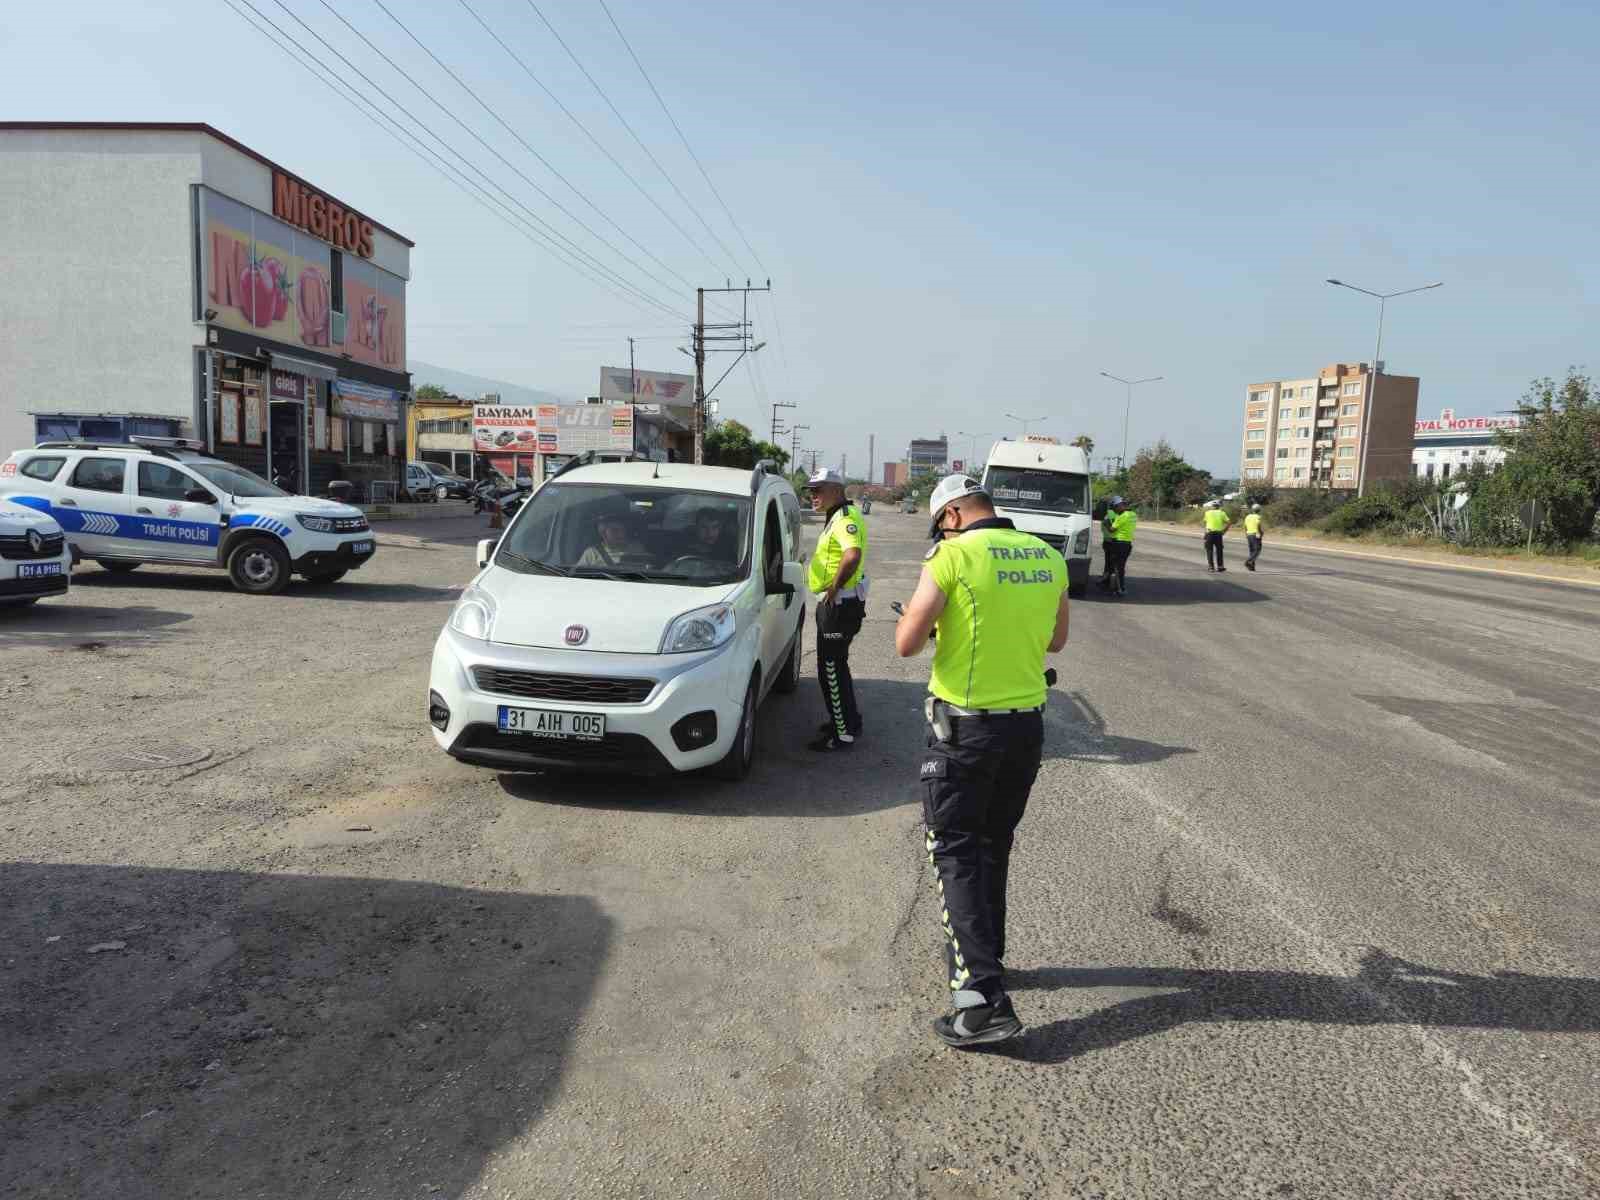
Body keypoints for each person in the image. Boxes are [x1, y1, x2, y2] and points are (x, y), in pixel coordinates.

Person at [895, 475, 1071, 1048]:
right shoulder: (1047, 555)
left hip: (967, 730)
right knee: (992, 846)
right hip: (1026, 727)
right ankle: (987, 962)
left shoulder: (952, 555)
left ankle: (982, 1002)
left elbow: (907, 642)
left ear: (950, 515)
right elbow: (1056, 641)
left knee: (955, 851)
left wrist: (929, 617)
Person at [804, 467, 868, 751]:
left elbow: (852, 555)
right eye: (810, 490)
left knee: (830, 669)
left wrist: (834, 587)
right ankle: (847, 720)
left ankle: (842, 734)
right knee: (837, 667)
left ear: (835, 490)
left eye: (818, 490)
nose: (812, 495)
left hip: (839, 605)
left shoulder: (844, 518)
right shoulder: (837, 517)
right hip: (840, 604)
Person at [576, 505, 649, 568]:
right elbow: (577, 577)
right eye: (615, 530)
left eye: (623, 530)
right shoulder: (591, 553)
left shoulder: (636, 548)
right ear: (603, 533)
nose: (621, 534)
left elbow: (646, 570)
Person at [1106, 495, 1136, 596]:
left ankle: (1120, 589)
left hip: (1119, 544)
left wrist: (1106, 523)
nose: (1114, 511)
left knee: (1116, 568)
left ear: (1119, 505)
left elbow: (1112, 530)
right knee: (1121, 566)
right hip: (1127, 544)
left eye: (1114, 508)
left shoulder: (1123, 516)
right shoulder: (1133, 514)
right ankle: (1117, 587)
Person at [1202, 500, 1232, 572]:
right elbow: (1229, 522)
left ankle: (1211, 567)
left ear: (1212, 506)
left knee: (1209, 550)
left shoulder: (1207, 513)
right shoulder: (1222, 513)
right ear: (1219, 506)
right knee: (1219, 550)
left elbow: (1205, 523)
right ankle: (1220, 566)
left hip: (1209, 533)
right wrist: (1224, 530)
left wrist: (1205, 533)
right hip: (1219, 534)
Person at [1244, 503, 1264, 571]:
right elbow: (1258, 525)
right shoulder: (1258, 517)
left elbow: (1245, 526)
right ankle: (1248, 561)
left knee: (1252, 551)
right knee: (1257, 550)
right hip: (1255, 535)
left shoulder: (1248, 516)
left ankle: (1251, 566)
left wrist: (1246, 534)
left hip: (1249, 534)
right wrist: (1261, 532)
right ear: (1259, 510)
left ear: (1252, 509)